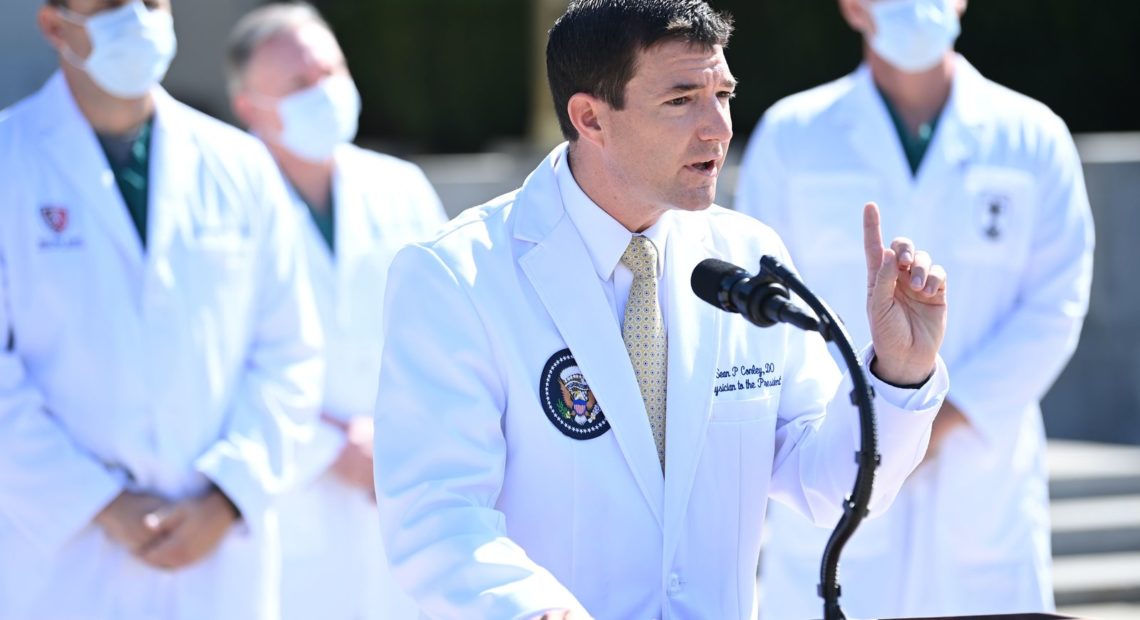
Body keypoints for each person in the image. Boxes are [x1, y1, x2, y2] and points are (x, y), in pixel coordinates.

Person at [372, 1, 955, 618]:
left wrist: (898, 370)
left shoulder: (749, 257)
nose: (718, 128)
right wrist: (536, 610)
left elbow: (827, 482)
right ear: (590, 118)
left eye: (723, 94)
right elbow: (436, 514)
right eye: (681, 101)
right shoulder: (456, 276)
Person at [734, 0, 1095, 617]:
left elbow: (1057, 303)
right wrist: (876, 421)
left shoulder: (1033, 136)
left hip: (980, 477)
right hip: (841, 456)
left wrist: (939, 415)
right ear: (851, 7)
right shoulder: (792, 136)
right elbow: (764, 307)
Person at [0, 1, 324, 618]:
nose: (139, 20)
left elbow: (290, 351)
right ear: (52, 25)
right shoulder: (9, 161)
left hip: (219, 557)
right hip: (63, 562)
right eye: (112, 6)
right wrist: (98, 504)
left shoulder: (240, 164)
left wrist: (226, 497)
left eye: (150, 3)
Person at [226, 4, 447, 619]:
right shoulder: (223, 204)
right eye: (300, 84)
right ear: (250, 108)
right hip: (287, 489)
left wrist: (397, 434)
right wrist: (331, 447)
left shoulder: (400, 185)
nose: (325, 92)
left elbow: (449, 325)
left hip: (401, 478)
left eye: (332, 69)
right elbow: (214, 354)